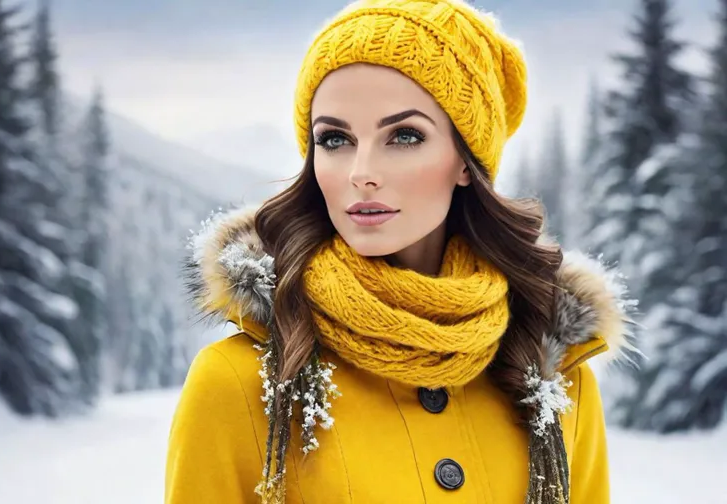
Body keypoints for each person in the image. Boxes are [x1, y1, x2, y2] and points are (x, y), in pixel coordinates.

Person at [166, 0, 635, 503]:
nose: (360, 171)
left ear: (464, 161)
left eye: (404, 136)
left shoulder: (555, 378)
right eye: (335, 138)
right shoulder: (239, 382)